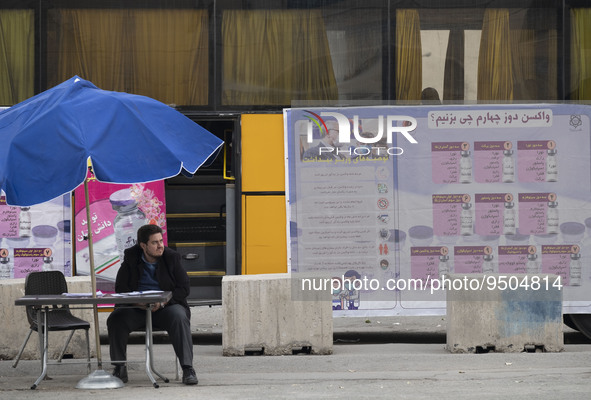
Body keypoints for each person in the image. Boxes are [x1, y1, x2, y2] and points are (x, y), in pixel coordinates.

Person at [107, 224, 198, 385]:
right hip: (137, 309)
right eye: (155, 242)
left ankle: (188, 368)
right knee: (116, 318)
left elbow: (184, 288)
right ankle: (120, 367)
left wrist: (163, 302)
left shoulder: (171, 257)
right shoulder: (131, 257)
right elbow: (121, 288)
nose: (160, 245)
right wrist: (137, 302)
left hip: (166, 308)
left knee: (179, 316)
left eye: (161, 241)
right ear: (143, 246)